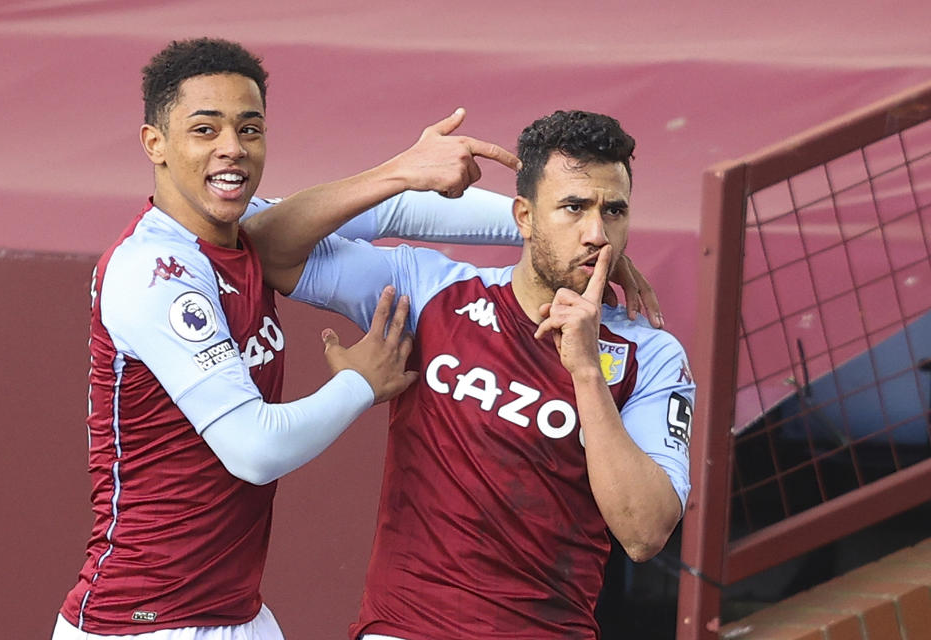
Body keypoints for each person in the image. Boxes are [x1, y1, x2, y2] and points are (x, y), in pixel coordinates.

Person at [52, 39, 660, 640]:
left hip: (235, 612)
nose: (231, 148)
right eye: (204, 130)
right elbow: (253, 451)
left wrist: (574, 235)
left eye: (250, 128)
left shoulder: (241, 228)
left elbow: (394, 214)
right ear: (154, 144)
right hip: (140, 620)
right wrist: (358, 384)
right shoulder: (152, 272)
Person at [259, 110, 694, 639]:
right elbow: (266, 243)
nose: (597, 234)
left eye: (615, 211)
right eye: (573, 208)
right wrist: (399, 175)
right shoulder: (430, 289)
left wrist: (585, 373)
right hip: (403, 629)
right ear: (524, 217)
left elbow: (645, 534)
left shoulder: (650, 353)